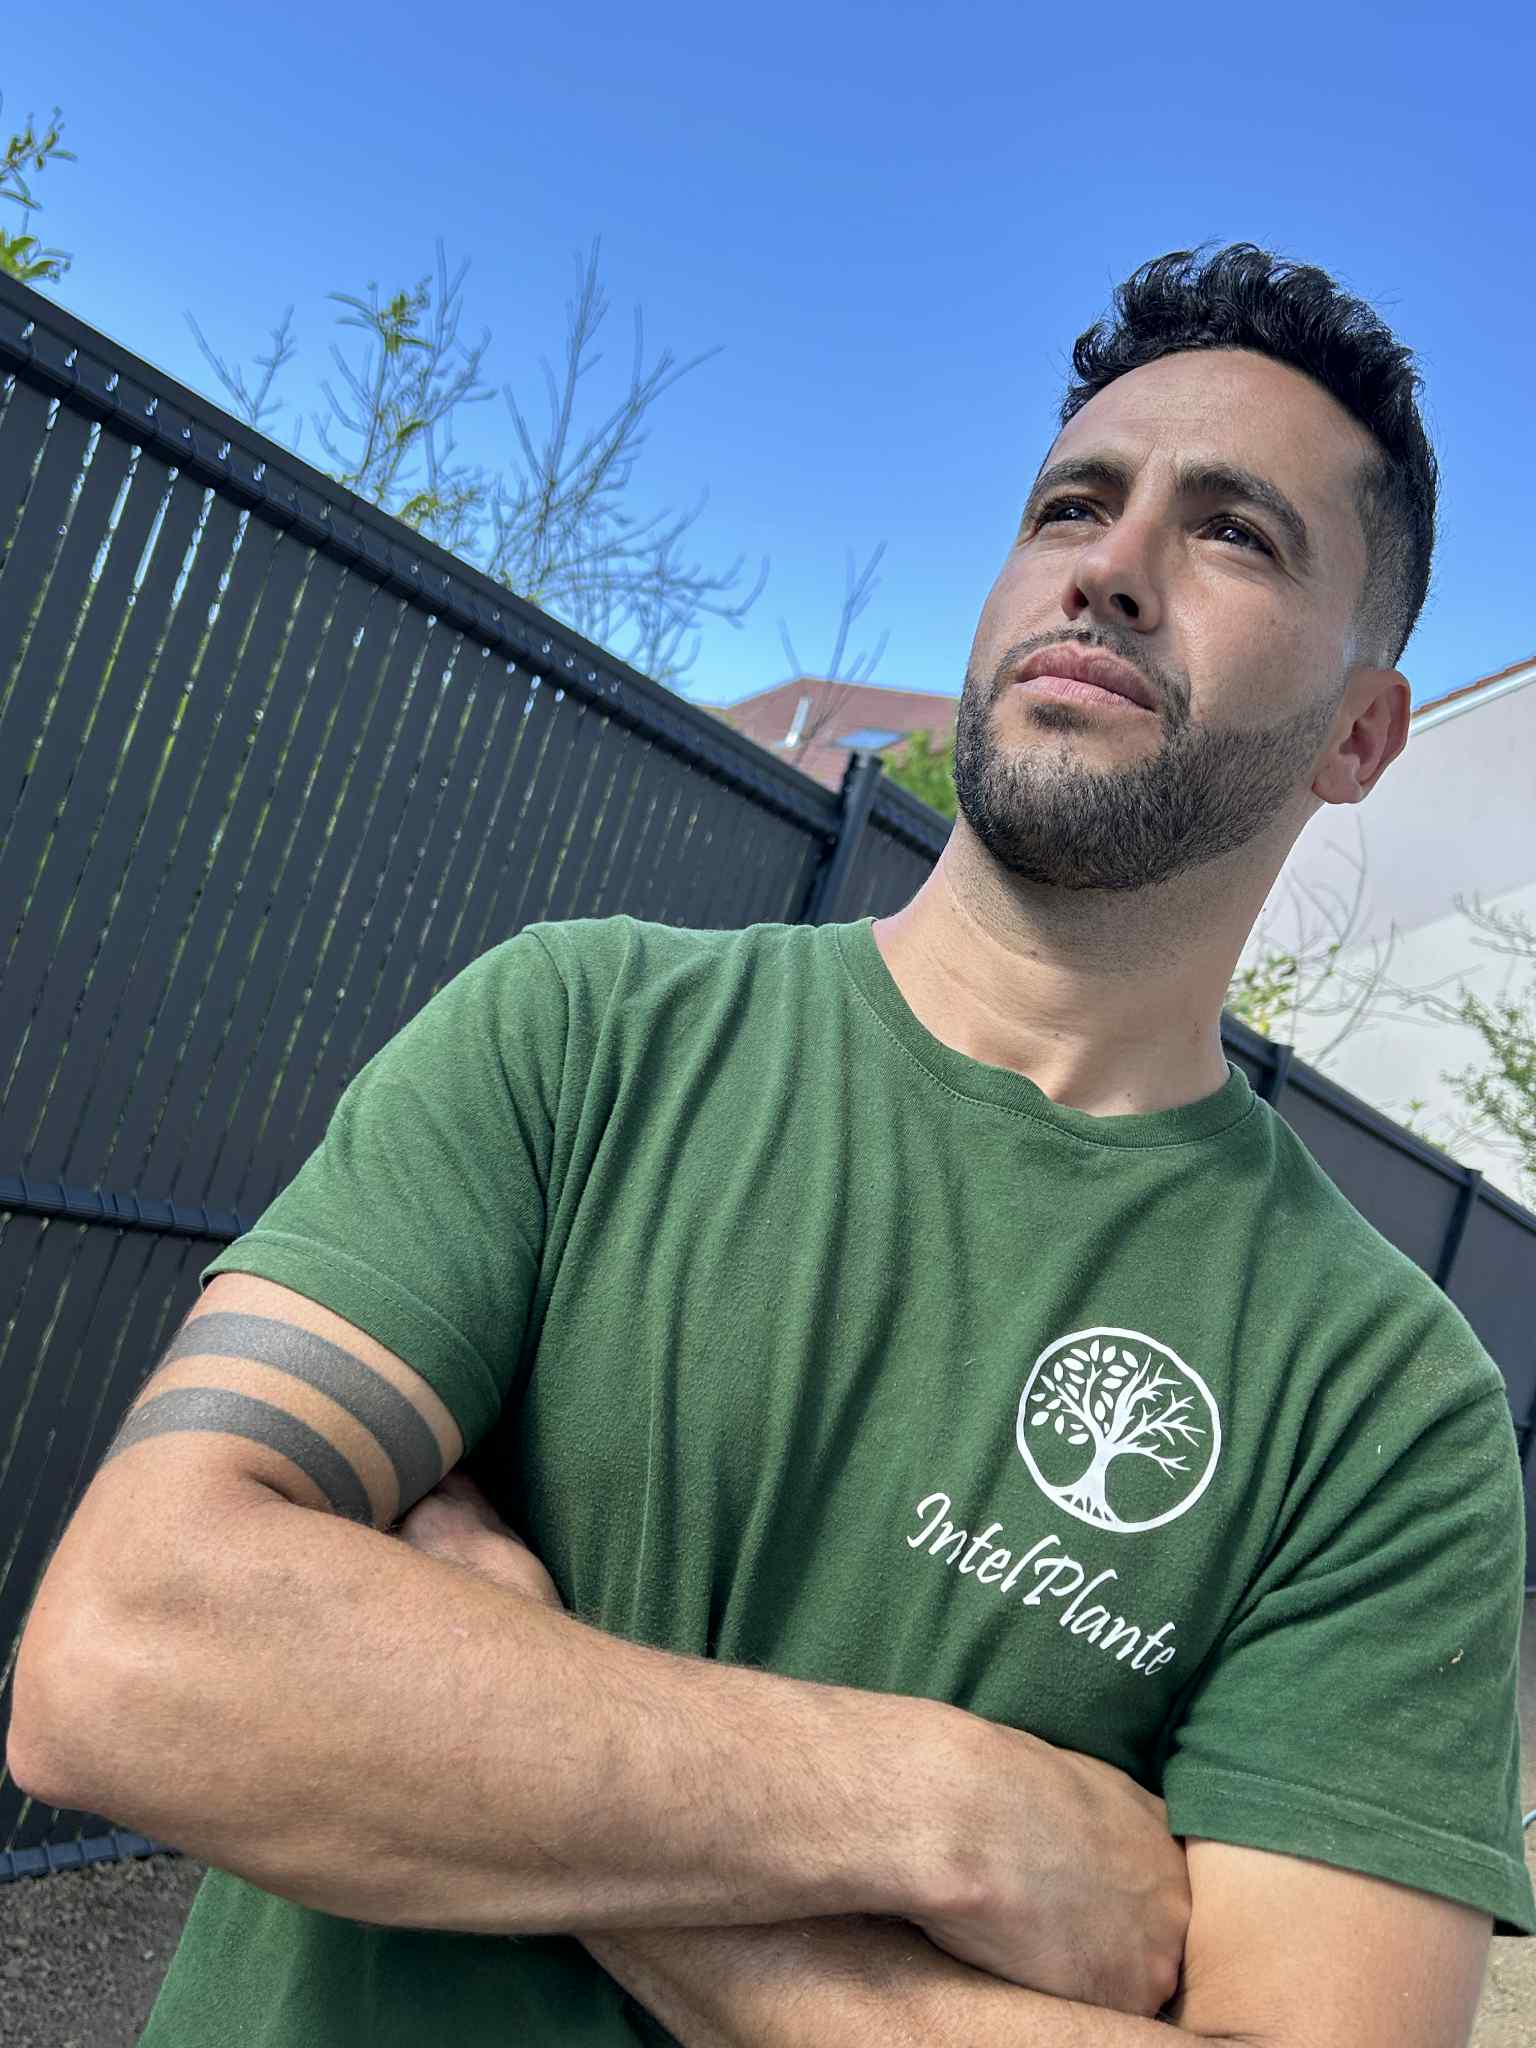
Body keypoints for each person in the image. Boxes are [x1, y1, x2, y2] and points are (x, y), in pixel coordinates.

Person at [11, 241, 1532, 2047]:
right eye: (1072, 504)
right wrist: (942, 1810)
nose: (1111, 568)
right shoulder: (582, 1034)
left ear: (1362, 733)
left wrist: (501, 1715)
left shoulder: (1382, 1403)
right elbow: (123, 1663)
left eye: (1234, 534)